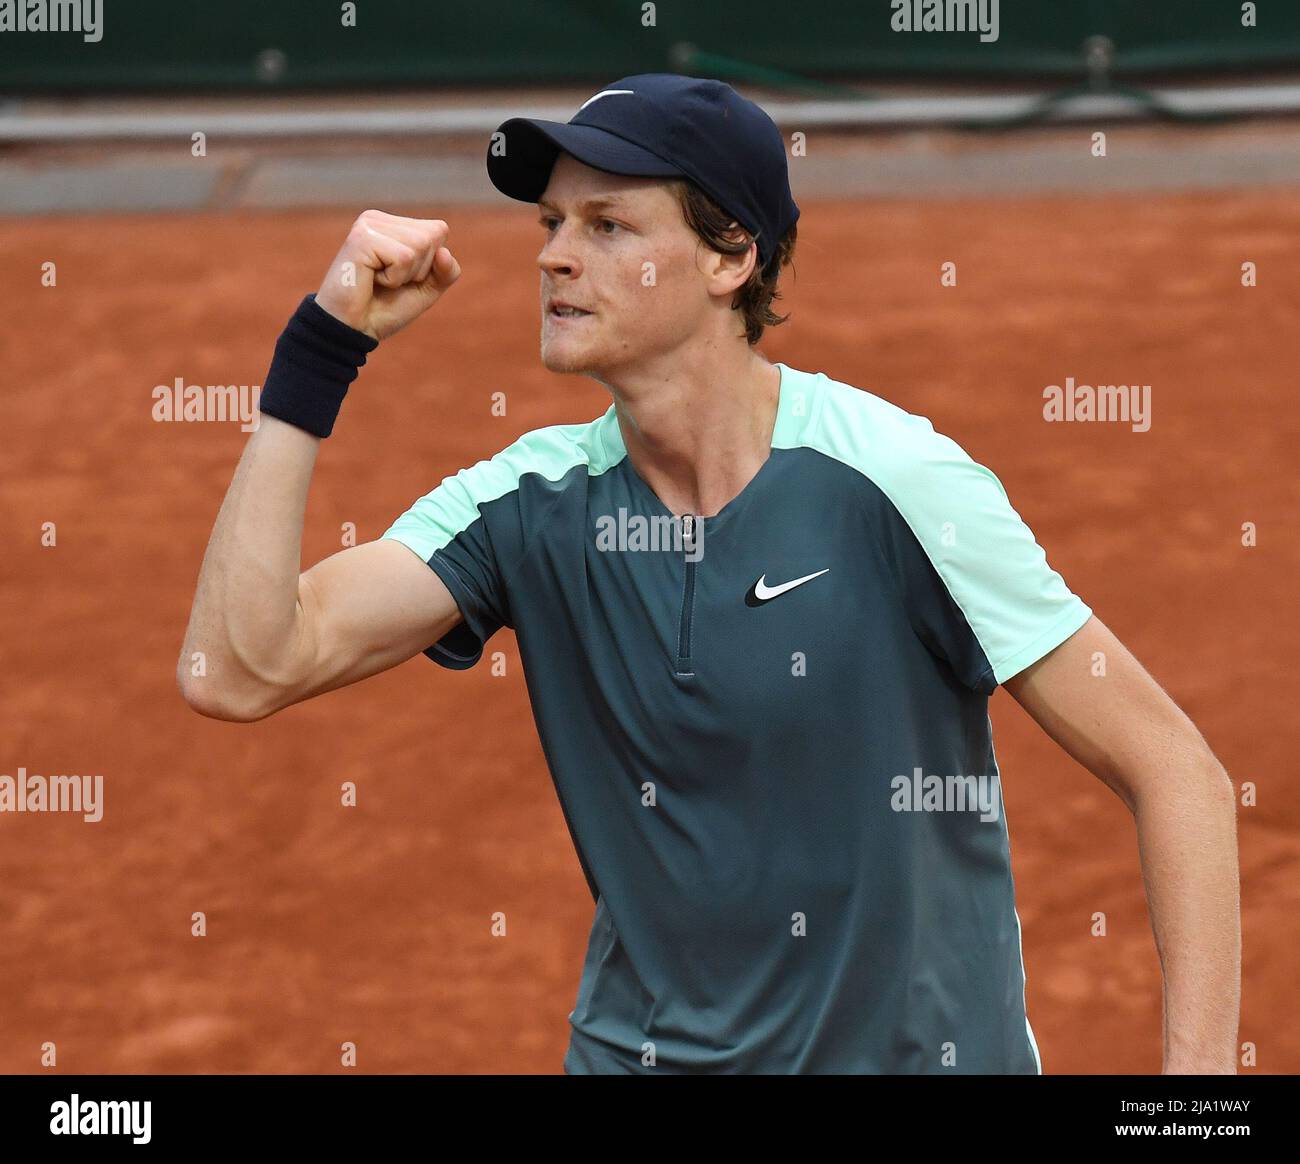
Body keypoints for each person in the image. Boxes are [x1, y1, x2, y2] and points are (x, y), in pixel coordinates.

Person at [178, 74, 1240, 1074]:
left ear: (731, 257)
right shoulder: (525, 505)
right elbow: (239, 670)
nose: (553, 256)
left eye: (607, 227)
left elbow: (1172, 769)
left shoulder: (896, 481)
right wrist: (317, 355)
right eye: (551, 223)